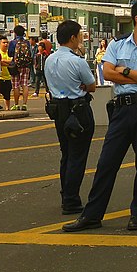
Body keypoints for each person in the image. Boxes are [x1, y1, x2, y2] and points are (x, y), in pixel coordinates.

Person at [63, 0, 137, 232]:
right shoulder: (117, 44)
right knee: (106, 163)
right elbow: (108, 73)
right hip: (121, 110)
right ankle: (92, 215)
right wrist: (136, 74)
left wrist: (126, 70)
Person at [44, 20, 97, 215]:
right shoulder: (77, 61)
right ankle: (71, 200)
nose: (81, 39)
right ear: (73, 37)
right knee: (77, 156)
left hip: (58, 110)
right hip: (78, 110)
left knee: (66, 154)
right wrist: (80, 86)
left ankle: (66, 194)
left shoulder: (49, 60)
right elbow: (91, 86)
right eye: (80, 35)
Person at [8, 25, 32, 111]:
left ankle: (16, 104)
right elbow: (30, 53)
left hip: (15, 66)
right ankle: (24, 104)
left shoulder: (13, 42)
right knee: (24, 84)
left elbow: (10, 54)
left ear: (15, 33)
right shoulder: (27, 42)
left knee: (16, 85)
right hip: (25, 66)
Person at [0, 36, 13, 110]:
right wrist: (8, 63)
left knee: (7, 95)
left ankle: (7, 108)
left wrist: (3, 62)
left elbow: (12, 62)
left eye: (7, 42)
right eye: (4, 42)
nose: (6, 44)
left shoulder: (9, 53)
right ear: (0, 44)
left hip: (8, 77)